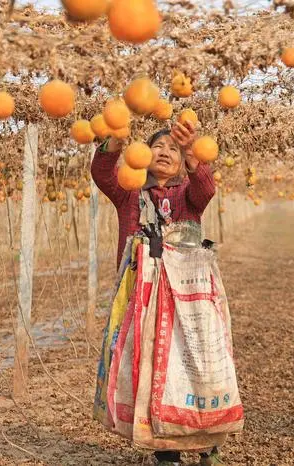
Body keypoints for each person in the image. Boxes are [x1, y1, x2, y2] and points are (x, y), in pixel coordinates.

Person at [91, 121, 223, 466]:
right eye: (157, 147)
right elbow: (102, 172)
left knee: (192, 362)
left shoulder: (188, 195)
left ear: (182, 161)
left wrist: (194, 150)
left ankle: (205, 439)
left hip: (187, 296)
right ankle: (166, 450)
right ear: (144, 155)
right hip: (144, 297)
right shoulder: (129, 192)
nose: (164, 152)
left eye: (173, 149)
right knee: (151, 366)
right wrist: (115, 142)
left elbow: (206, 189)